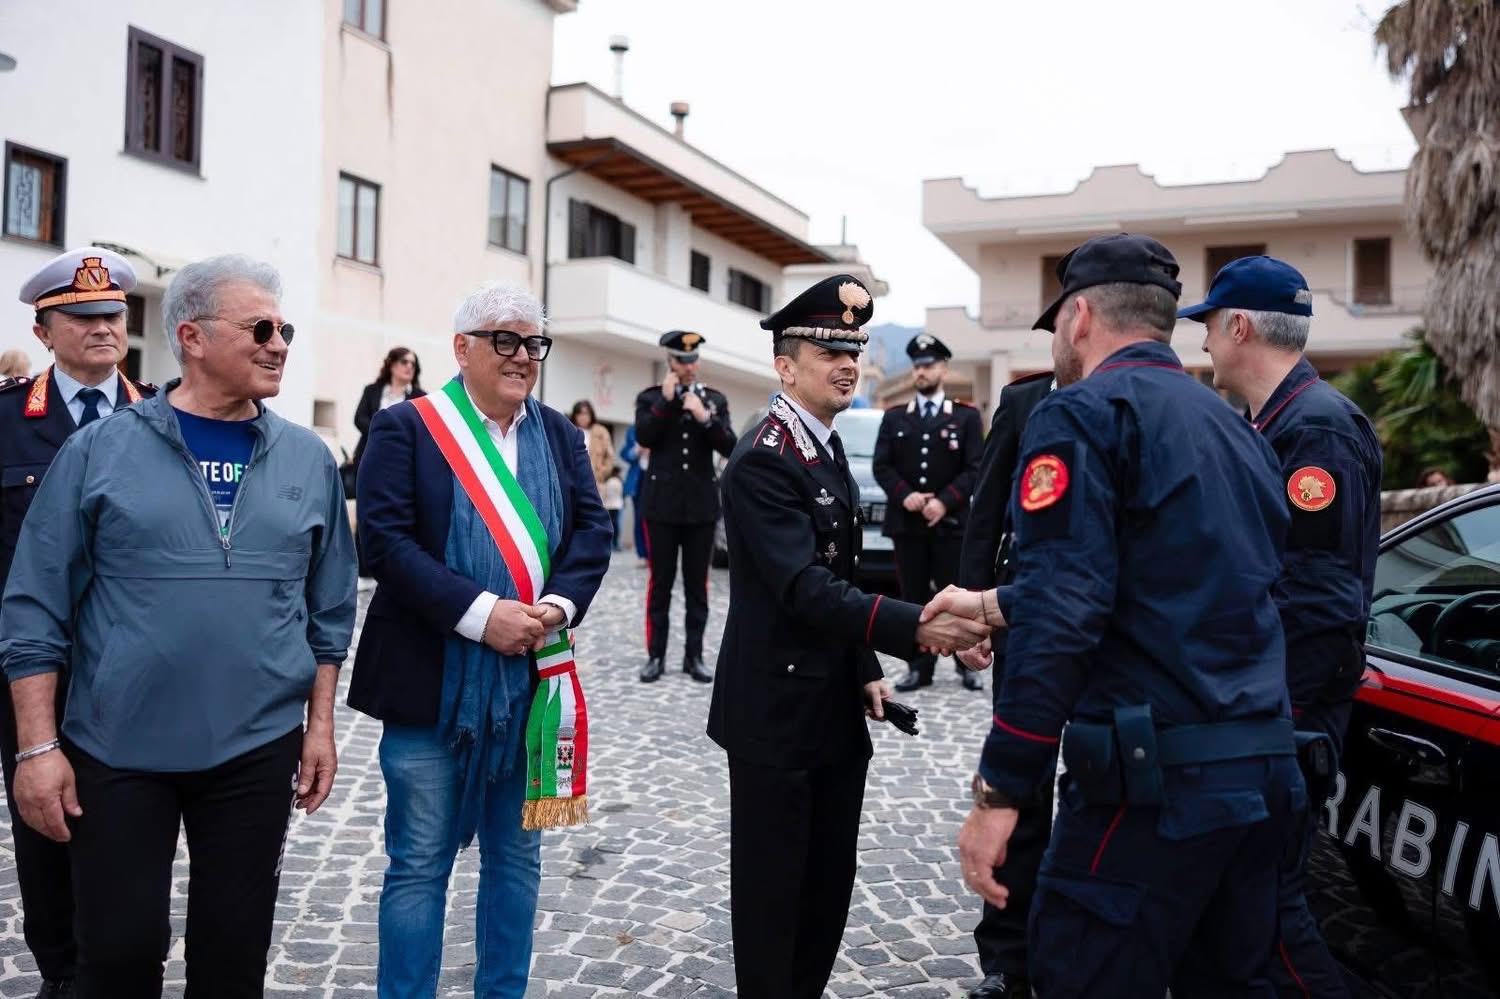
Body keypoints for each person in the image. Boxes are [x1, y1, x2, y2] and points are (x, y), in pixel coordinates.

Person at [935, 234, 1305, 996]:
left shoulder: (1081, 414)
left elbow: (1064, 611)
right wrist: (992, 603)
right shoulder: (1239, 432)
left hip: (1151, 789)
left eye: (1059, 324)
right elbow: (1162, 580)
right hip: (1262, 776)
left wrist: (1000, 789)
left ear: (1079, 318)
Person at [0, 253, 357, 998]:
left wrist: (319, 726)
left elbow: (328, 612)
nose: (279, 344)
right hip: (118, 747)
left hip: (256, 749)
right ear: (191, 337)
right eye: (260, 328)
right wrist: (36, 746)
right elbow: (35, 601)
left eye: (284, 330)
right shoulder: (99, 448)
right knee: (118, 958)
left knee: (233, 961)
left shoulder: (309, 458)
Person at [710, 274, 988, 999]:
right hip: (776, 713)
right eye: (828, 351)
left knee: (827, 881)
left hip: (830, 701)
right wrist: (918, 624)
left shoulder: (821, 444)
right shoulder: (765, 455)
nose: (847, 364)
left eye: (854, 350)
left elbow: (839, 570)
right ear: (784, 364)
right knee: (775, 894)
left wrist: (865, 662)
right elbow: (804, 586)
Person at [349, 281, 611, 999]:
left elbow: (592, 532)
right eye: (505, 340)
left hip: (530, 680)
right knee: (418, 866)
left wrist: (555, 607)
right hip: (428, 681)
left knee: (517, 862)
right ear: (462, 348)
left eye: (533, 342)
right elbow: (385, 543)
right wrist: (481, 613)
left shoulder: (559, 434)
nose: (523, 355)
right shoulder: (408, 427)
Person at [1180, 255, 1382, 997]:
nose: (1202, 340)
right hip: (1265, 709)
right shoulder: (1274, 422)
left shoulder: (1317, 429)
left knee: (1269, 916)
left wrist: (1265, 711)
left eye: (1208, 324)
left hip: (1286, 715)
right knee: (1242, 921)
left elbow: (1320, 601)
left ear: (1239, 326)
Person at [0, 247, 156, 999]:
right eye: (83, 317)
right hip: (38, 667)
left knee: (131, 822)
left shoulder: (163, 417)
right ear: (44, 331)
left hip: (135, 664)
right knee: (42, 826)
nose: (103, 328)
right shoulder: (7, 420)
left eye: (113, 316)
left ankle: (115, 964)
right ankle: (61, 971)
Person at [956, 368, 1052, 999]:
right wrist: (974, 614)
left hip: (1114, 626)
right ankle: (1008, 955)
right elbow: (987, 507)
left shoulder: (1144, 394)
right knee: (1023, 781)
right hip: (1023, 610)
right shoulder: (1025, 401)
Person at [873, 333, 983, 692]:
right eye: (917, 366)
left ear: (943, 369)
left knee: (959, 598)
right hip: (908, 525)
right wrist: (904, 494)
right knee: (913, 598)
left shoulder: (966, 417)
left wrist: (944, 501)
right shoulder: (894, 417)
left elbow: (976, 467)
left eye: (929, 365)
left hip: (951, 524)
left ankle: (967, 664)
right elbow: (881, 465)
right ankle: (919, 668)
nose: (921, 371)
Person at [633, 330, 736, 684]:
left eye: (693, 360)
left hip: (701, 510)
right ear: (670, 361)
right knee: (660, 585)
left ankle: (694, 657)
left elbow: (730, 446)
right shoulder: (650, 398)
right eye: (682, 360)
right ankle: (656, 656)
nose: (689, 367)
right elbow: (644, 436)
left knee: (697, 587)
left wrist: (705, 417)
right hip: (661, 508)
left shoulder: (714, 400)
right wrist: (665, 403)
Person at [353, 347, 426, 470]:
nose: (409, 366)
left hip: (401, 460)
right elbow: (359, 418)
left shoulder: (420, 397)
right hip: (368, 454)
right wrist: (380, 433)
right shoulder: (372, 390)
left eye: (413, 364)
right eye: (404, 362)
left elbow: (420, 429)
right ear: (392, 365)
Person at [570, 399, 616, 491]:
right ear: (575, 415)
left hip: (596, 480)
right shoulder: (570, 430)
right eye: (580, 413)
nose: (583, 417)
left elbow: (610, 456)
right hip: (573, 479)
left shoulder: (601, 432)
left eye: (586, 413)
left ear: (591, 415)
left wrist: (603, 472)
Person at [619, 424, 648, 564]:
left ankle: (655, 553)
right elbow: (624, 453)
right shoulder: (633, 430)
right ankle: (642, 554)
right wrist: (637, 450)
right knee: (639, 518)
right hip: (638, 478)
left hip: (658, 477)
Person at [602, 464, 625, 550]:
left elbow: (605, 494)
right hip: (617, 505)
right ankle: (616, 543)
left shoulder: (608, 481)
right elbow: (621, 493)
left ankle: (610, 543)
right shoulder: (618, 481)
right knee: (616, 525)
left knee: (609, 524)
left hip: (608, 505)